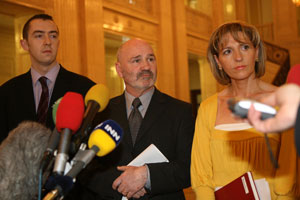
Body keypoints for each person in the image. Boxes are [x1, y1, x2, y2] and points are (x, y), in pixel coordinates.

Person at [66, 38, 195, 199]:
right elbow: (85, 168)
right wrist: (124, 184)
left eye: (150, 59)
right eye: (136, 60)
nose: (146, 66)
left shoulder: (180, 111)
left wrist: (147, 177)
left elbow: (189, 168)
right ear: (119, 70)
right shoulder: (100, 112)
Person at [191, 21, 299, 199]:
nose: (238, 57)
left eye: (244, 47)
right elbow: (201, 177)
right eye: (227, 51)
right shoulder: (208, 108)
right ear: (218, 61)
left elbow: (289, 177)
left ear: (256, 52)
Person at [0, 14, 95, 143]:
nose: (48, 42)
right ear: (25, 44)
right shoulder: (6, 93)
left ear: (58, 43)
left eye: (53, 36)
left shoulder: (86, 89)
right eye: (39, 36)